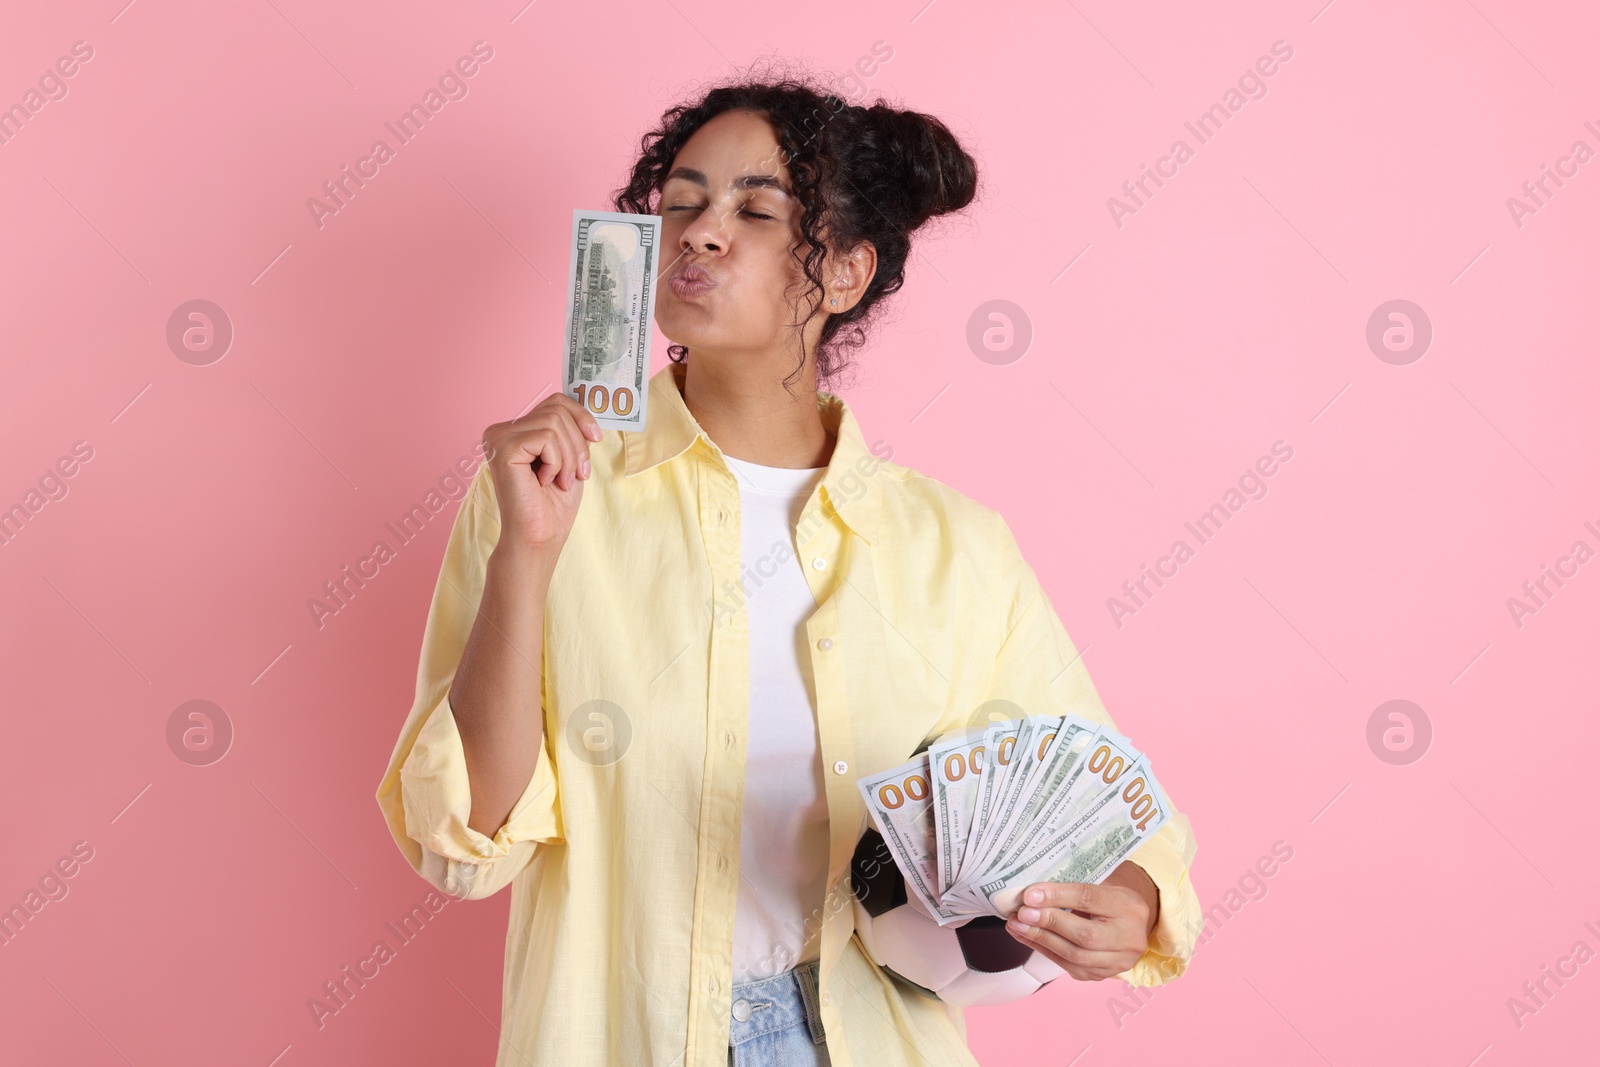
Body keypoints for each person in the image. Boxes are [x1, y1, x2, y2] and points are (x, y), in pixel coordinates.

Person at [376, 69, 1202, 1067]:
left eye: (754, 211)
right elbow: (468, 835)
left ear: (844, 276)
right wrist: (526, 558)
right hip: (624, 1033)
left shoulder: (953, 547)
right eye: (681, 202)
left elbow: (1102, 795)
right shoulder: (549, 490)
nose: (701, 231)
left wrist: (1132, 899)